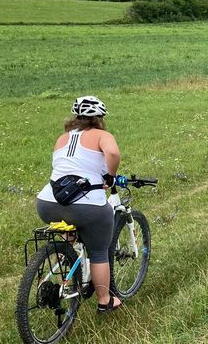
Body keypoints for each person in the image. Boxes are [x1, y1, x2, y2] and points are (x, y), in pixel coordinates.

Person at [35, 96, 123, 314]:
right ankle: (104, 300)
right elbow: (112, 153)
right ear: (100, 118)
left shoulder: (62, 138)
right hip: (86, 206)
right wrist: (110, 176)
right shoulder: (102, 135)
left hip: (47, 203)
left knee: (71, 223)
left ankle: (68, 252)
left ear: (76, 117)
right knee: (99, 251)